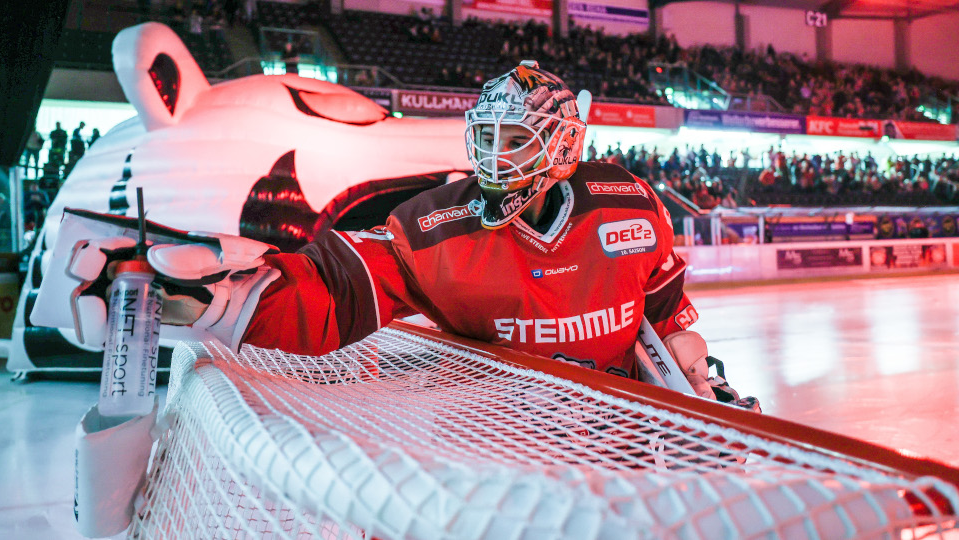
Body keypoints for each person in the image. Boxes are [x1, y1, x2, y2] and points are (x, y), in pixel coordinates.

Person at [49, 61, 758, 410]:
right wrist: (232, 298)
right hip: (504, 453)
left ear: (565, 147)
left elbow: (665, 319)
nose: (492, 158)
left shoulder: (627, 207)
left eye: (514, 140)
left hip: (621, 442)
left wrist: (701, 379)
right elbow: (337, 291)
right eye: (486, 138)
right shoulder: (438, 223)